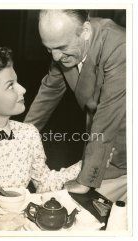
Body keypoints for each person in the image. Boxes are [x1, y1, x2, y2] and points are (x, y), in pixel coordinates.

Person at [0, 46, 82, 201]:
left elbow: (44, 183)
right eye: (10, 85)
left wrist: (87, 164)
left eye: (17, 82)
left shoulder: (29, 134)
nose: (23, 89)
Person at [24, 10, 126, 202]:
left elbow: (107, 119)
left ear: (85, 31)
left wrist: (85, 181)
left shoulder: (120, 46)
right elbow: (48, 93)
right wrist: (21, 136)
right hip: (98, 143)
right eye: (48, 49)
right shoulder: (64, 46)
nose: (54, 57)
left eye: (61, 47)